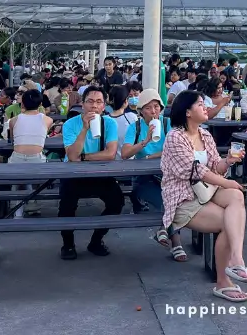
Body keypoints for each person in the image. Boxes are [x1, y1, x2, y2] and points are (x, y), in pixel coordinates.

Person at [160, 91, 247, 301]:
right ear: (188, 112)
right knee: (229, 222)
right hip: (183, 197)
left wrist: (228, 161)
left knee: (236, 197)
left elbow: (215, 168)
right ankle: (223, 281)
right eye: (200, 104)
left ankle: (236, 261)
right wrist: (227, 182)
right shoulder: (175, 137)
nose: (205, 107)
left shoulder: (205, 134)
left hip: (207, 191)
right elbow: (195, 171)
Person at [58, 86, 125, 260]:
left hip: (99, 173)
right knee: (66, 206)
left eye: (98, 102)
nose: (94, 106)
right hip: (73, 174)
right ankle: (68, 244)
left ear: (104, 106)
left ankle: (96, 240)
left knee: (117, 201)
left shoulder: (109, 123)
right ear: (82, 104)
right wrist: (85, 129)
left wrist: (85, 157)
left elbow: (110, 154)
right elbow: (72, 156)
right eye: (90, 101)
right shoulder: (70, 124)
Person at [121, 89, 187, 261]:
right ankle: (177, 243)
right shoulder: (135, 127)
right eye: (148, 108)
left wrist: (153, 155)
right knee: (169, 202)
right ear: (141, 110)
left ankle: (164, 232)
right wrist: (146, 141)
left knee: (175, 199)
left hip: (168, 177)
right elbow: (125, 154)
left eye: (156, 107)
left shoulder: (167, 124)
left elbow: (178, 149)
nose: (153, 111)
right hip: (145, 179)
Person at [7, 89, 53, 163]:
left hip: (16, 160)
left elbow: (13, 141)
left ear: (22, 104)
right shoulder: (48, 120)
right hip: (37, 160)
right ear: (41, 104)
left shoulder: (13, 121)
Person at [106, 84, 137, 155]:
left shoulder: (104, 119)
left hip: (107, 162)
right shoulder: (132, 117)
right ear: (125, 101)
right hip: (130, 161)